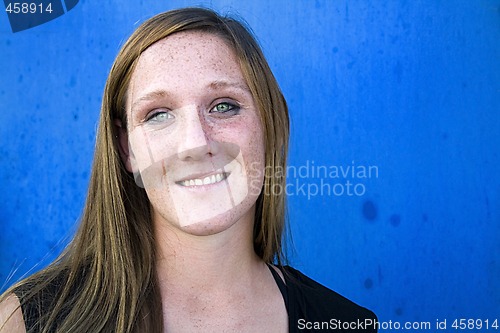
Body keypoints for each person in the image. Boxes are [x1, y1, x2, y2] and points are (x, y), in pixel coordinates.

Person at [0, 7, 377, 333]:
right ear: (126, 148)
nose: (196, 143)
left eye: (224, 106)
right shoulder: (24, 320)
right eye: (158, 114)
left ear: (271, 126)